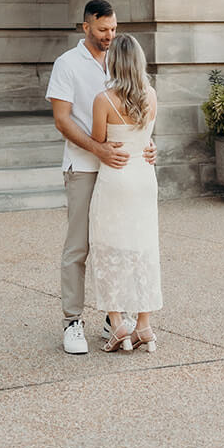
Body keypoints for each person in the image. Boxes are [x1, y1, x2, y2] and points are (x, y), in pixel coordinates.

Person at [46, 0, 155, 355]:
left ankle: (115, 318)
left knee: (121, 244)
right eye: (103, 29)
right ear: (86, 28)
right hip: (83, 168)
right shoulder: (67, 64)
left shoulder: (121, 58)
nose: (110, 35)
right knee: (78, 247)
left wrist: (147, 145)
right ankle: (73, 321)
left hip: (120, 171)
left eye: (113, 29)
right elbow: (62, 120)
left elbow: (137, 114)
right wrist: (99, 149)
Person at [89, 33, 162, 353]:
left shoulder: (103, 100)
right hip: (144, 177)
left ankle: (118, 323)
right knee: (143, 248)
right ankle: (143, 325)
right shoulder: (152, 96)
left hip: (116, 178)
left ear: (114, 63)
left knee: (108, 248)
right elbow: (147, 139)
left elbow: (98, 141)